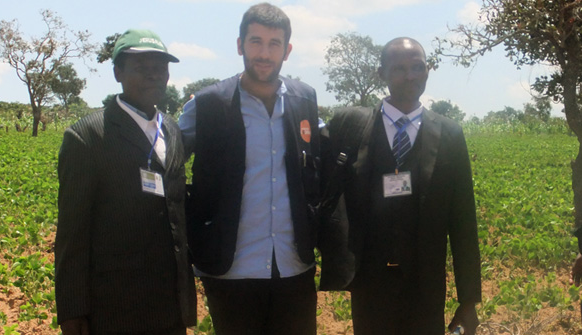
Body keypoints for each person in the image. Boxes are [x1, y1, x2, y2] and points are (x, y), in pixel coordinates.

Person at [320, 37, 482, 335]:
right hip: (369, 285)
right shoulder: (352, 128)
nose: (410, 76)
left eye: (417, 67)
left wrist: (468, 300)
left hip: (426, 287)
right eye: (399, 68)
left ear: (428, 71)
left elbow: (463, 222)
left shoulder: (449, 134)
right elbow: (320, 188)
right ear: (381, 74)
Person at [178, 3, 320, 334]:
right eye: (255, 41)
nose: (264, 53)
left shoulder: (305, 101)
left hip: (293, 266)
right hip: (230, 270)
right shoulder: (207, 105)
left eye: (274, 44)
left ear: (288, 50)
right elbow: (167, 161)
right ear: (240, 44)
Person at [55, 29, 196, 335]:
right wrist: (72, 311)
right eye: (141, 68)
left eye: (160, 68)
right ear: (118, 72)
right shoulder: (88, 136)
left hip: (170, 303)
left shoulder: (171, 130)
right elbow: (72, 233)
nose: (153, 76)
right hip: (115, 307)